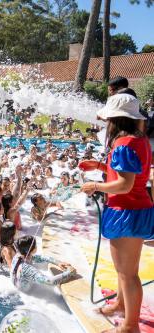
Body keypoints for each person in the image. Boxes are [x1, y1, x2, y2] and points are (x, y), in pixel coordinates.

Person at [81, 93, 154, 333]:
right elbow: (130, 175)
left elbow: (124, 185)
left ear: (116, 119)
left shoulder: (124, 144)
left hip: (127, 211)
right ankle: (121, 305)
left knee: (128, 274)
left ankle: (130, 326)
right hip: (134, 210)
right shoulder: (139, 140)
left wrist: (95, 186)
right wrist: (100, 167)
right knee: (123, 270)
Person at [10, 235, 75, 292]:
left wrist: (58, 262)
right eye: (35, 245)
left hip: (17, 285)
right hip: (26, 293)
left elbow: (40, 258)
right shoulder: (26, 268)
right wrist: (69, 273)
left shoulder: (19, 255)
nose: (36, 246)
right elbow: (49, 281)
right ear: (31, 249)